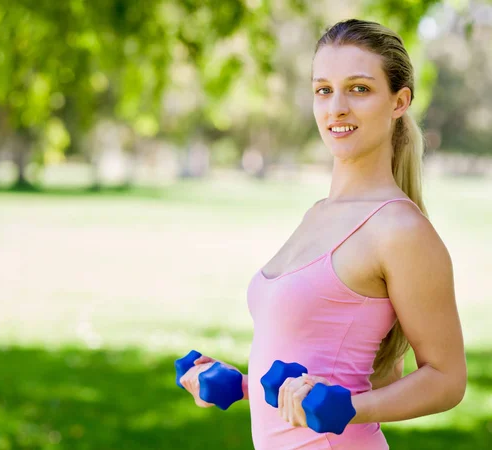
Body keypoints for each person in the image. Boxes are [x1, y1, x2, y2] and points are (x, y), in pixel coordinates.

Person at [179, 18, 467, 449]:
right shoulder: (319, 214)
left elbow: (447, 380)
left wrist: (352, 409)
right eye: (323, 90)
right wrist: (241, 385)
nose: (336, 108)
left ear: (399, 101)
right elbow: (338, 362)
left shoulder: (401, 230)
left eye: (359, 88)